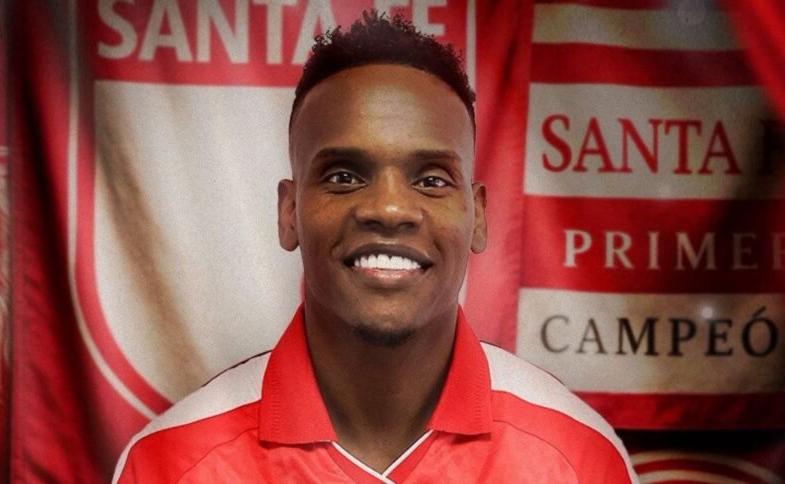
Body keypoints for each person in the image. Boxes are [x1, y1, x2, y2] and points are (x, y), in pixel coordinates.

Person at [113, 12, 637, 483]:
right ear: (288, 212)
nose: (388, 209)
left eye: (431, 180)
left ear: (477, 215)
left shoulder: (578, 459)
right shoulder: (168, 464)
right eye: (343, 176)